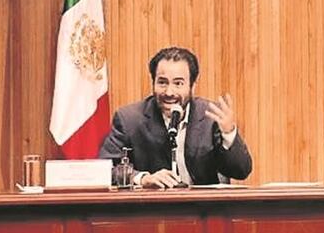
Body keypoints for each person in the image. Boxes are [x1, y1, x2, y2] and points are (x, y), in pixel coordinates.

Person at [98, 46, 252, 188]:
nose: (169, 92)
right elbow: (104, 170)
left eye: (178, 83)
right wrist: (142, 178)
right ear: (153, 83)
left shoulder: (211, 118)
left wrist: (229, 134)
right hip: (152, 212)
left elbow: (241, 171)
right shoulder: (129, 119)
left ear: (192, 86)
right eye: (162, 82)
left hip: (204, 212)